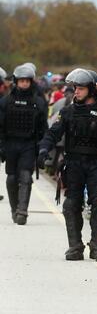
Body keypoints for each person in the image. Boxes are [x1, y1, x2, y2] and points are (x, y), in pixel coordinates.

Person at [39, 69, 97, 261]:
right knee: (71, 204)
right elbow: (53, 133)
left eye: (80, 88)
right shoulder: (67, 112)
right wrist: (43, 150)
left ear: (92, 89)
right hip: (74, 164)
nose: (76, 92)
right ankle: (75, 246)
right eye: (75, 88)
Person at [0, 63, 49, 224]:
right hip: (10, 144)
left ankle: (23, 210)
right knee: (12, 179)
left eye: (27, 81)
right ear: (16, 81)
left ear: (31, 82)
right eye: (21, 81)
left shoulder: (38, 103)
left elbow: (43, 128)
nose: (24, 84)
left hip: (29, 144)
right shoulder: (6, 102)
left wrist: (43, 149)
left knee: (25, 176)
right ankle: (15, 209)